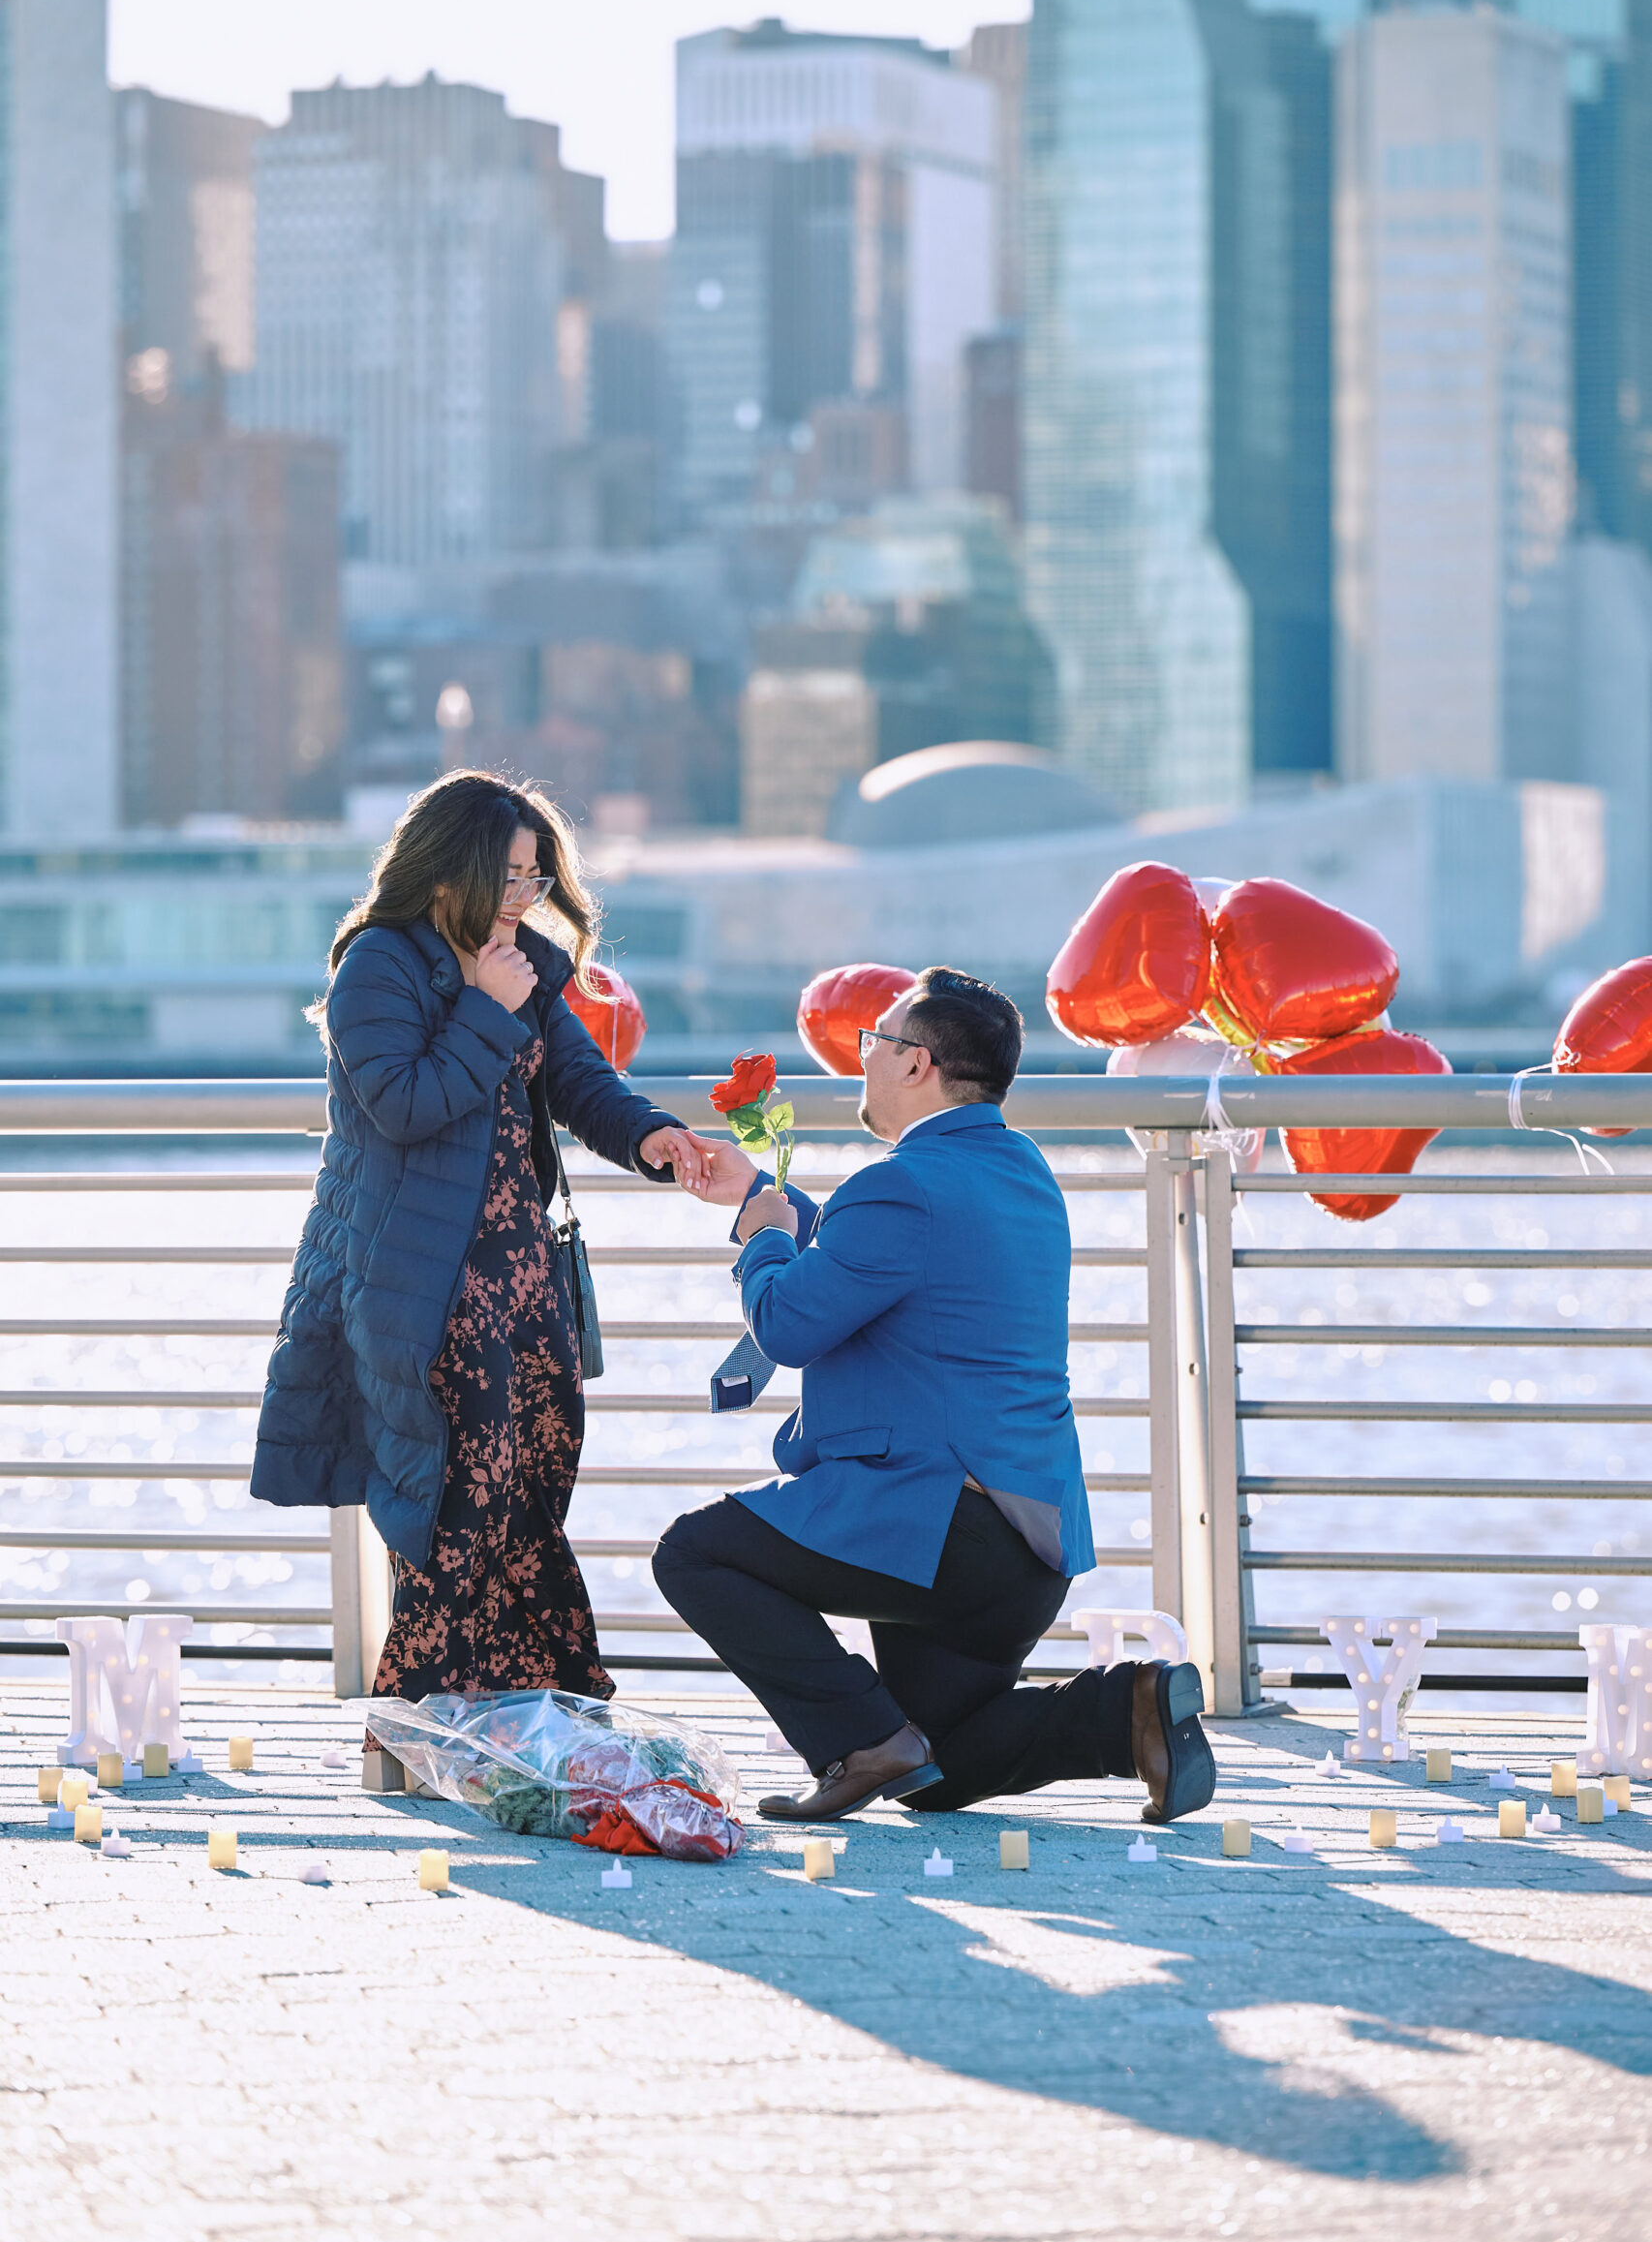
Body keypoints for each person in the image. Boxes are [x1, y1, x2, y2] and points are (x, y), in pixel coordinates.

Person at [654, 967, 1217, 1824]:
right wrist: (767, 1202)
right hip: (1025, 1546)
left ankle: (857, 1741)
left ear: (917, 1064)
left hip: (933, 1529)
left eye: (874, 1042)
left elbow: (792, 1326)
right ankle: (1125, 1711)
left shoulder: (900, 1185)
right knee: (942, 1766)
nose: (865, 1058)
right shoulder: (1021, 1172)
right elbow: (889, 1261)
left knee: (693, 1554)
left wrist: (763, 1239)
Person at [252, 771, 710, 1751]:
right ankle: (415, 1725)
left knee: (536, 1479)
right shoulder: (379, 963)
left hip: (522, 1272)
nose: (524, 895)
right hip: (427, 1279)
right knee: (465, 1487)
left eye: (537, 877)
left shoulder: (521, 962)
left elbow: (583, 1084)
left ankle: (522, 1720)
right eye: (509, 873)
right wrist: (487, 1007)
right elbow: (403, 1104)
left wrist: (654, 1140)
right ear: (451, 863)